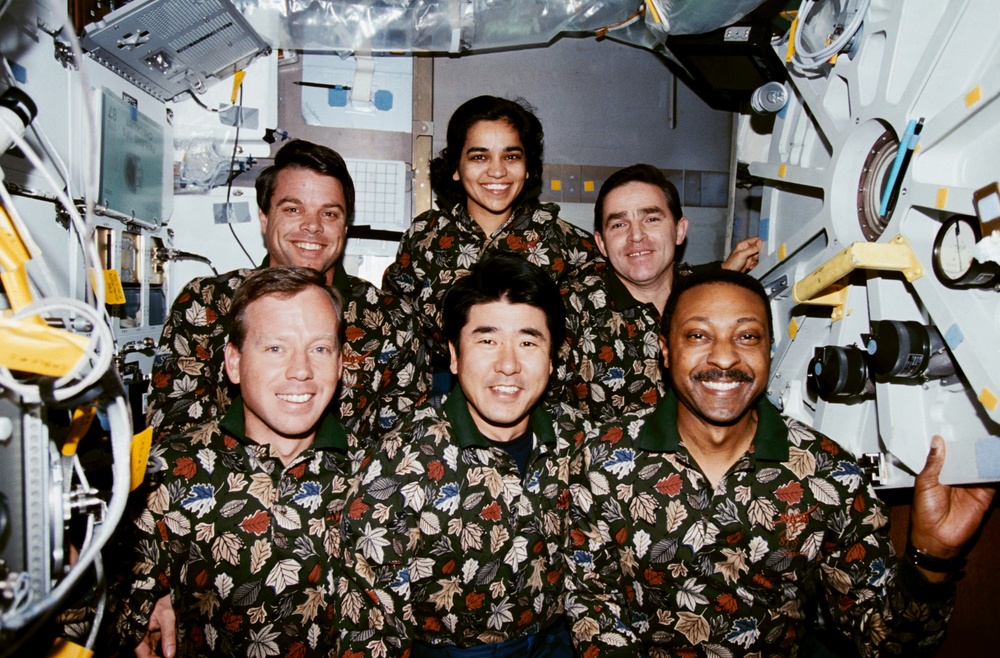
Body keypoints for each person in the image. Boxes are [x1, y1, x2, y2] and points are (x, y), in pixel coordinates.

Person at [566, 268, 994, 656]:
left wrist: (933, 556)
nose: (724, 358)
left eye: (747, 337)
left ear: (769, 349)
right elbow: (594, 612)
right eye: (698, 336)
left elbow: (885, 643)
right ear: (665, 349)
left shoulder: (829, 473)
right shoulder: (603, 460)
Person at [339, 252, 584, 657]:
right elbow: (371, 622)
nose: (508, 365)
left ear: (553, 358)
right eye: (487, 341)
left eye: (528, 342)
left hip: (559, 641)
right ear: (454, 356)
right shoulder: (401, 462)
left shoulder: (577, 440)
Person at [117, 266, 365, 657]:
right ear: (233, 362)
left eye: (319, 349)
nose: (301, 370)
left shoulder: (375, 476)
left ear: (339, 364)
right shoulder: (169, 472)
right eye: (275, 348)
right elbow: (100, 611)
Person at [146, 139, 426, 443]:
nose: (312, 226)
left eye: (329, 214)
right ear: (265, 218)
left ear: (345, 227)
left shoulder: (392, 320)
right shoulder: (205, 304)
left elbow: (401, 445)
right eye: (293, 209)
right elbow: (173, 434)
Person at [381, 95, 598, 390]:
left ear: (528, 167)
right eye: (479, 157)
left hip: (538, 399)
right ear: (456, 166)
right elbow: (397, 328)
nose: (497, 171)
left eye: (511, 156)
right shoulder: (425, 237)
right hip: (442, 399)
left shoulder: (566, 243)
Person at [557, 163, 761, 420]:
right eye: (619, 224)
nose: (636, 236)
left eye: (651, 219)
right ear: (602, 243)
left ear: (679, 230)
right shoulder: (569, 309)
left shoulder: (711, 296)